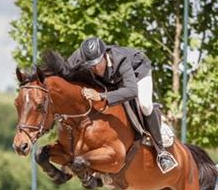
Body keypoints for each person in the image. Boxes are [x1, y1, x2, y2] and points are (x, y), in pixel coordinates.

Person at [67, 37, 178, 174]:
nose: (95, 68)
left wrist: (101, 96)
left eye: (97, 63)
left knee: (145, 105)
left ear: (105, 55)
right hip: (113, 79)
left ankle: (162, 152)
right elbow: (61, 73)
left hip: (138, 72)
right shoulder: (78, 59)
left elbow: (131, 90)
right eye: (91, 65)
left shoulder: (121, 59)